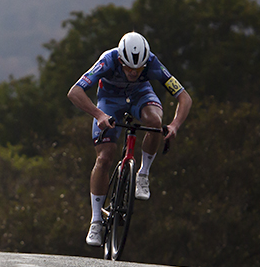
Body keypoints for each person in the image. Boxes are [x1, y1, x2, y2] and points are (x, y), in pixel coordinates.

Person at [67, 31, 192, 247]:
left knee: (154, 122)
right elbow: (75, 92)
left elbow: (184, 97)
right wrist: (99, 115)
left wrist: (174, 125)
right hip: (109, 101)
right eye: (128, 68)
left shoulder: (152, 62)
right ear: (120, 60)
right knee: (104, 158)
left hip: (141, 95)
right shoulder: (108, 60)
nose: (133, 73)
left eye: (139, 69)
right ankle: (96, 220)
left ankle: (142, 174)